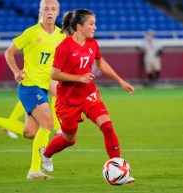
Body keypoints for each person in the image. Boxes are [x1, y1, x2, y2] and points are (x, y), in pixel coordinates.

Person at [39, 9, 135, 184]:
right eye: (91, 24)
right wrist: (79, 77)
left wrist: (120, 81)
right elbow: (54, 74)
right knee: (70, 140)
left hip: (88, 94)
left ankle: (118, 169)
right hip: (67, 100)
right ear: (79, 26)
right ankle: (46, 153)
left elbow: (100, 63)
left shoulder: (92, 44)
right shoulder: (64, 46)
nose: (95, 27)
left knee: (107, 126)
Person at [0, 0, 66, 179]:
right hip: (29, 86)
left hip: (44, 87)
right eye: (46, 9)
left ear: (57, 13)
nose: (49, 12)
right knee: (48, 124)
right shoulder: (31, 33)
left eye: (53, 9)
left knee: (30, 132)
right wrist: (16, 71)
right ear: (40, 11)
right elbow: (9, 52)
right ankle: (34, 170)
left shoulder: (61, 36)